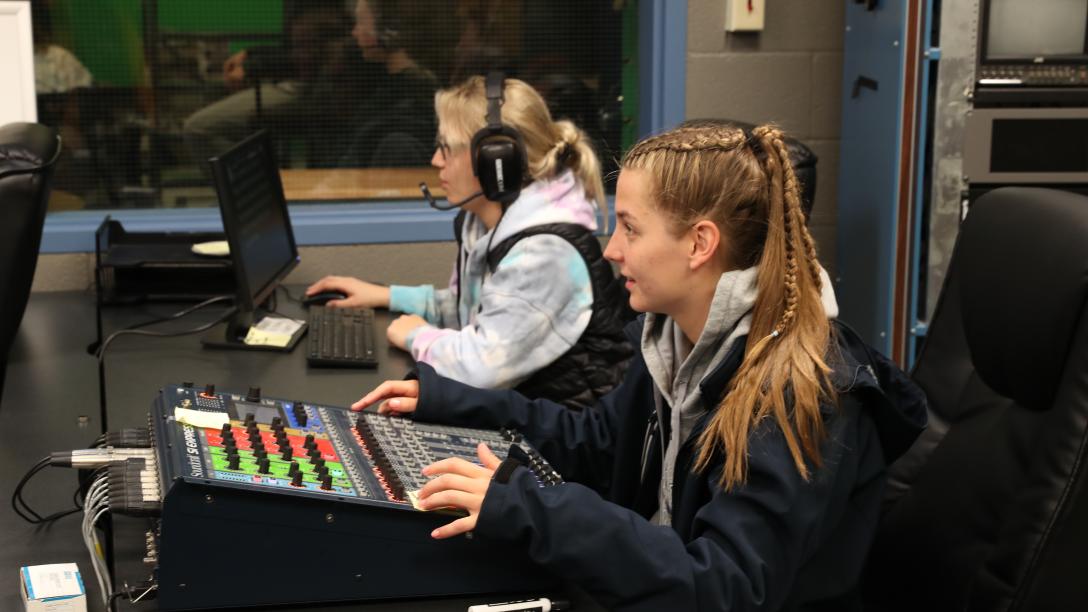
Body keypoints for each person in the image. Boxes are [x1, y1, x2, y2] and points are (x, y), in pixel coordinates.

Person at [352, 123, 928, 610]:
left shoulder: (801, 389)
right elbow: (597, 442)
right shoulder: (675, 340)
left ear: (700, 244)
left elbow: (726, 584)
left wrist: (533, 510)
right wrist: (447, 401)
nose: (610, 249)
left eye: (630, 227)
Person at [307, 75, 633, 409]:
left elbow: (480, 369)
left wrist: (416, 336)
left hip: (562, 443)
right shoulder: (485, 223)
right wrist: (388, 296)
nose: (436, 160)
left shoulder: (546, 253)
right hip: (516, 415)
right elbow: (471, 311)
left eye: (446, 148)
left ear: (496, 162)